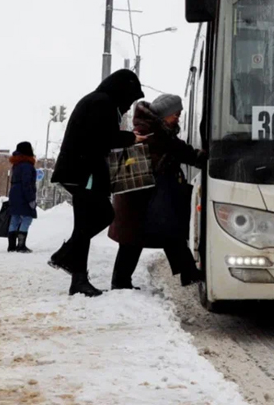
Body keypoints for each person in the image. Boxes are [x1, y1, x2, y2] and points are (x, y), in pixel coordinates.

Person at [48, 69, 146, 297]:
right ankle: (71, 267)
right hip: (84, 172)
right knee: (101, 216)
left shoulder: (97, 101)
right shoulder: (102, 103)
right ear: (123, 92)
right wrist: (131, 138)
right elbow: (104, 138)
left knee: (86, 223)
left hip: (79, 171)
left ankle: (75, 274)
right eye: (130, 100)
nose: (130, 106)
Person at [108, 94, 206, 290]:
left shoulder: (160, 132)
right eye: (175, 114)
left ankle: (188, 273)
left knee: (166, 233)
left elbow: (180, 151)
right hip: (137, 198)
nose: (178, 118)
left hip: (146, 196)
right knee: (134, 241)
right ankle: (120, 283)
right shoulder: (149, 133)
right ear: (164, 114)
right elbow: (171, 152)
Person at [8, 141, 37, 253]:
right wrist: (30, 198)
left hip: (14, 194)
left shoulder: (16, 165)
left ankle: (11, 246)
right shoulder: (27, 165)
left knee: (14, 219)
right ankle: (21, 245)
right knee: (27, 218)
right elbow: (27, 183)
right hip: (23, 195)